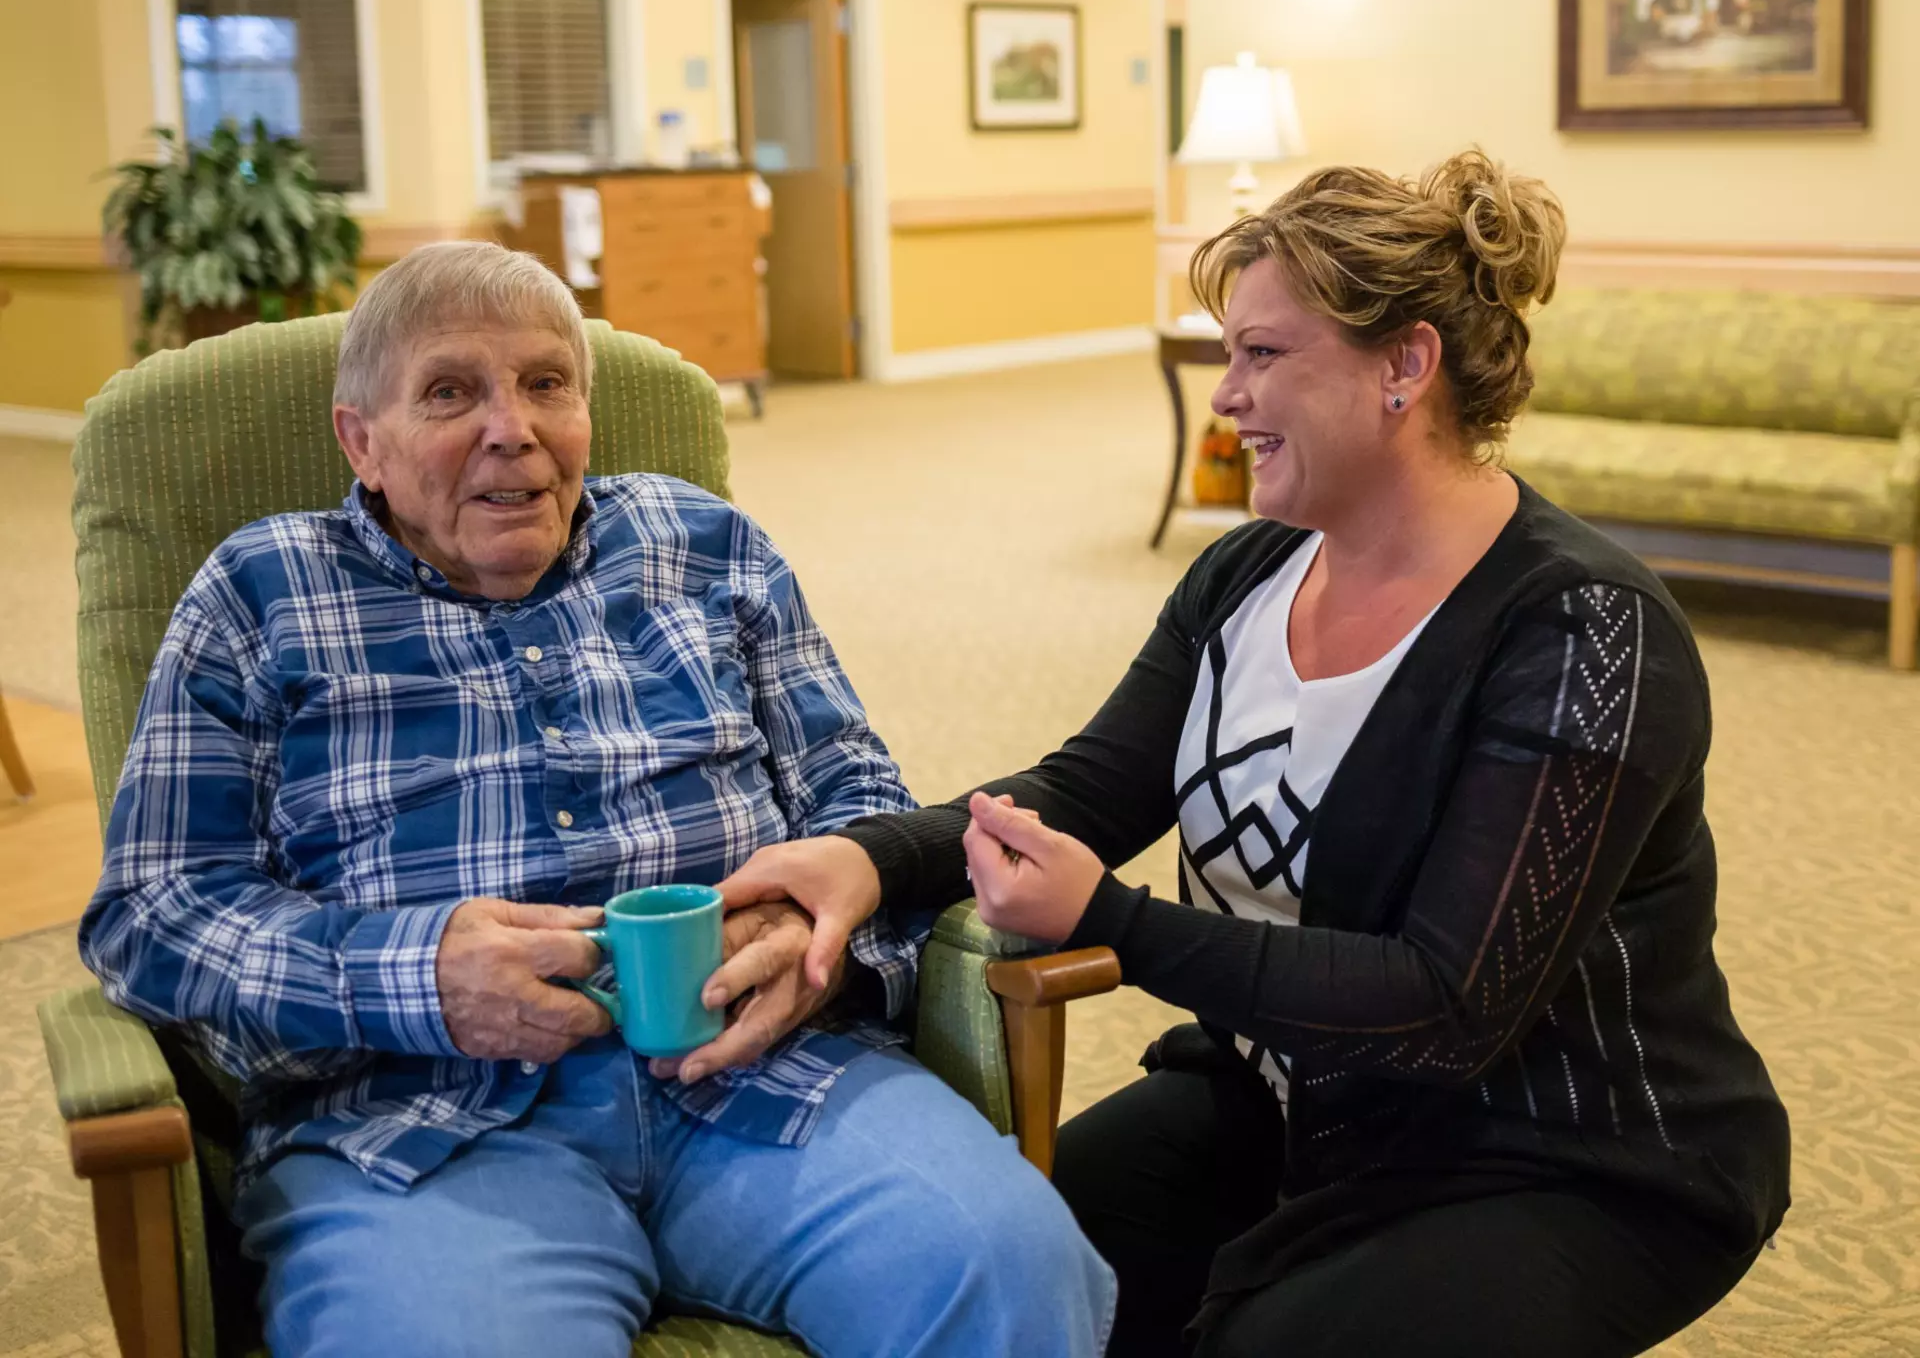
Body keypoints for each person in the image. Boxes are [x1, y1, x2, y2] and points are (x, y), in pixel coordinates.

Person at [720, 151, 1791, 1357]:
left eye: (1264, 356)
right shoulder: (1245, 576)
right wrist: (869, 860)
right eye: (1228, 353)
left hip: (1557, 1152)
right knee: (1001, 1277)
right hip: (1295, 1107)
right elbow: (1088, 789)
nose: (1226, 395)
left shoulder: (1587, 631)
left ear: (1406, 366)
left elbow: (1445, 1009)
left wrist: (1117, 924)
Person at [80, 242, 1114, 1358]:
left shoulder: (703, 546)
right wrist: (423, 976)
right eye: (449, 392)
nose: (510, 430)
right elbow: (151, 911)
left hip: (771, 1075)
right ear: (360, 442)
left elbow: (859, 799)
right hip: (417, 1126)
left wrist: (811, 936)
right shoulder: (260, 591)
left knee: (1013, 1272)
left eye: (544, 385)